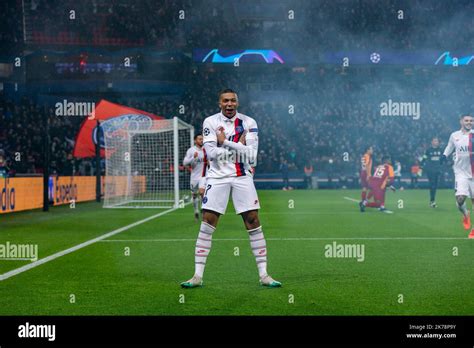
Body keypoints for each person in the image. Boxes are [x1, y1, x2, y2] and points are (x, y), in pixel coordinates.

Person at [181, 88, 281, 288]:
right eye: (225, 101)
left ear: (237, 102)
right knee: (207, 222)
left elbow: (252, 156)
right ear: (220, 103)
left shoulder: (249, 122)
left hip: (242, 176)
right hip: (217, 178)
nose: (229, 104)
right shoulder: (210, 122)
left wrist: (224, 142)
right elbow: (211, 153)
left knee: (253, 221)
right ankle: (197, 276)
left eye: (233, 101)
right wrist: (238, 146)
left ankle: (264, 275)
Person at [442, 114, 474, 238]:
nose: (469, 122)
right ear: (461, 121)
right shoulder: (454, 135)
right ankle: (466, 215)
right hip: (461, 172)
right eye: (466, 120)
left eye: (471, 121)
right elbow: (449, 147)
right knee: (460, 199)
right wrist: (444, 155)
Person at [182, 134, 205, 221]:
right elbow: (185, 163)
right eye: (199, 139)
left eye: (202, 139)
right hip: (194, 177)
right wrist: (193, 158)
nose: (201, 140)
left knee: (203, 193)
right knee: (194, 195)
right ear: (195, 141)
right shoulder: (191, 151)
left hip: (204, 176)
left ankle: (203, 210)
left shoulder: (206, 149)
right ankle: (196, 211)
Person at [421, 137, 443, 207]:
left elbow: (443, 159)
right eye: (434, 141)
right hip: (430, 170)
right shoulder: (428, 150)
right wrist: (421, 165)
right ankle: (432, 201)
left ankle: (432, 200)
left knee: (435, 186)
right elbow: (424, 158)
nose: (436, 142)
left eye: (437, 141)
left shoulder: (441, 150)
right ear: (432, 142)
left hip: (438, 170)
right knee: (432, 185)